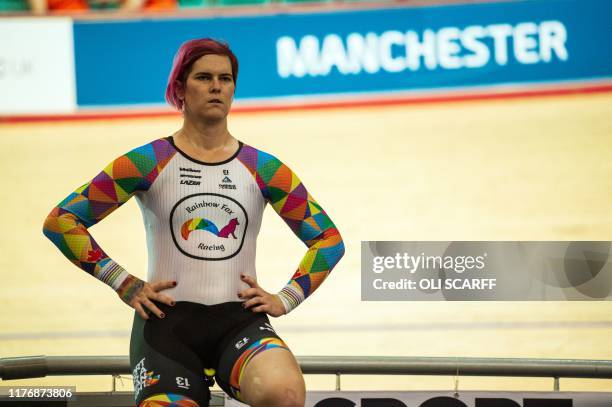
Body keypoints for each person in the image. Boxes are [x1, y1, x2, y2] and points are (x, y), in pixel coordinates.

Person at [42, 37, 345, 407]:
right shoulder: (146, 161)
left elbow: (329, 240)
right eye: (204, 77)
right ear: (180, 88)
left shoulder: (265, 168)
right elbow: (61, 221)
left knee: (283, 394)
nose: (217, 86)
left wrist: (287, 298)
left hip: (239, 322)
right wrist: (122, 281)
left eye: (226, 78)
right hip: (166, 325)